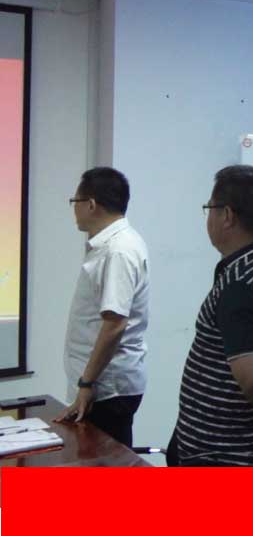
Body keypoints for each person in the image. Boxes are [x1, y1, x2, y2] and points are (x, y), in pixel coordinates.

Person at [168, 165, 253, 466]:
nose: (208, 217)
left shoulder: (243, 283)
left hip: (230, 454)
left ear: (227, 216)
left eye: (210, 209)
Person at [57, 167, 150, 448]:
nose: (74, 209)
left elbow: (114, 325)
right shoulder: (113, 245)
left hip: (107, 389)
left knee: (106, 464)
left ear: (91, 204)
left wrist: (86, 383)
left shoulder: (117, 250)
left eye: (75, 202)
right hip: (103, 385)